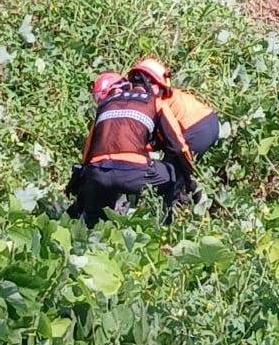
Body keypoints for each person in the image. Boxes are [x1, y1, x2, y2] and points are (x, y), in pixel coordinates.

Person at [67, 70, 194, 227]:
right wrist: (188, 178)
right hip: (134, 174)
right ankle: (164, 224)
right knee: (171, 174)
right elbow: (178, 147)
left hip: (99, 174)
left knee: (94, 224)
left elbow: (87, 152)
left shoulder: (106, 104)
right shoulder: (155, 102)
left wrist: (81, 180)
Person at [128, 58, 220, 164]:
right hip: (211, 121)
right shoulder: (172, 95)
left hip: (195, 130)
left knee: (172, 172)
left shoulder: (159, 103)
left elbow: (170, 136)